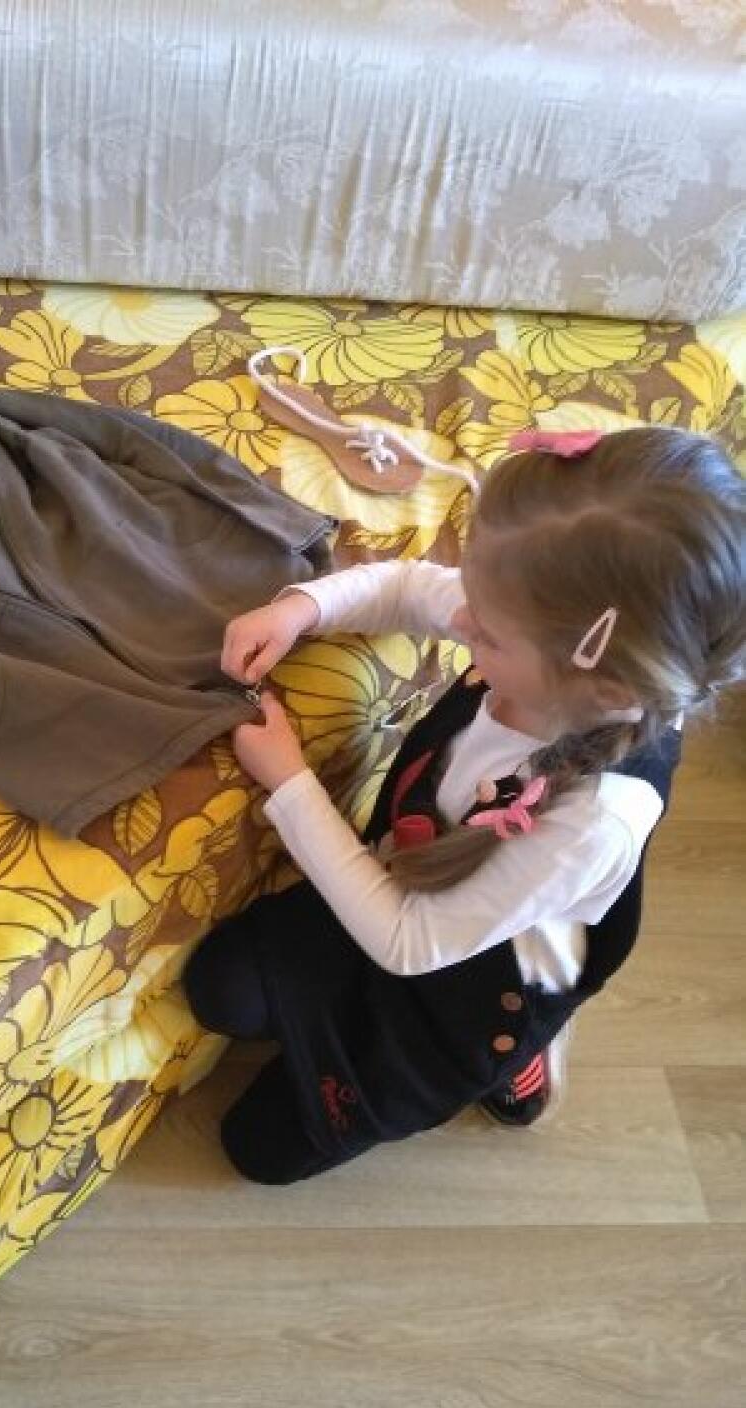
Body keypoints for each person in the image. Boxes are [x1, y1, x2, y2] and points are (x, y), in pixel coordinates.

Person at [182, 425, 746, 1185]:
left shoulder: (593, 822)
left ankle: (519, 1061)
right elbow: (413, 588)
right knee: (217, 988)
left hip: (464, 991)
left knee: (258, 1151)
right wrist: (301, 608)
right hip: (407, 883)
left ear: (603, 684)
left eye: (487, 632)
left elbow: (408, 942)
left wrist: (288, 782)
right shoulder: (554, 642)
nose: (460, 621)